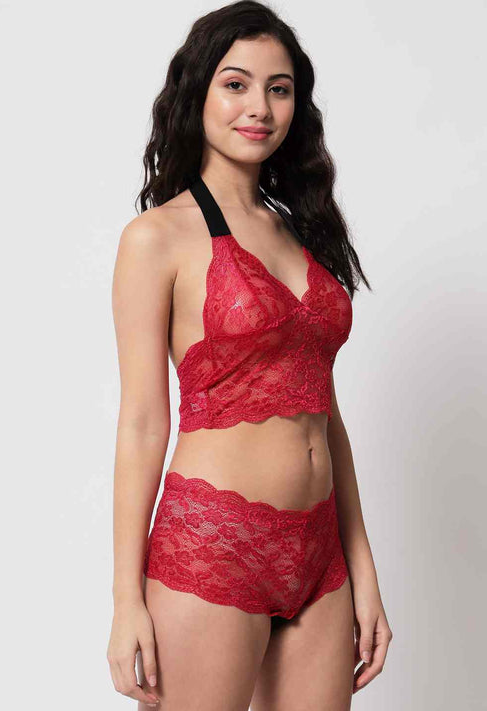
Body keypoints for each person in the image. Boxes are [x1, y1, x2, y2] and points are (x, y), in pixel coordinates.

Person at [107, 1, 392, 709]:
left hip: (319, 557)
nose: (259, 107)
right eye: (235, 84)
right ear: (197, 93)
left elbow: (324, 414)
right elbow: (142, 423)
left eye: (279, 88)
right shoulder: (157, 237)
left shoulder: (302, 232)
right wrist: (125, 599)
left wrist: (362, 570)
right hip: (215, 545)